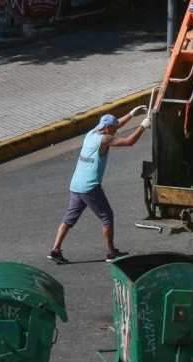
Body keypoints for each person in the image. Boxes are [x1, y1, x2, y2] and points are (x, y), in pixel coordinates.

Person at [48, 105, 150, 264]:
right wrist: (142, 126)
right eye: (114, 128)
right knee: (107, 218)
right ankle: (111, 253)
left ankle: (55, 250)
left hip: (76, 185)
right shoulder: (105, 139)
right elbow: (129, 142)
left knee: (69, 218)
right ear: (107, 127)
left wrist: (131, 114)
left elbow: (115, 125)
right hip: (90, 187)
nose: (116, 131)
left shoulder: (92, 133)